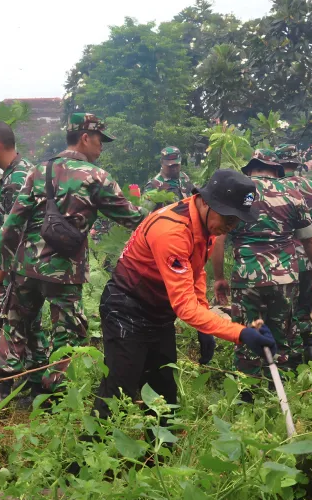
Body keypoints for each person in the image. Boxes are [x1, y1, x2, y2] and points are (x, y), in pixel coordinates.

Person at [0, 113, 145, 405]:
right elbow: (132, 217)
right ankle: (52, 395)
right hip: (64, 271)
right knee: (67, 332)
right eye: (99, 140)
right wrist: (165, 220)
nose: (101, 147)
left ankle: (2, 394)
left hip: (26, 266)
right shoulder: (96, 177)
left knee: (15, 325)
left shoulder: (39, 170)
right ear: (85, 137)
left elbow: (12, 222)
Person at [93, 169, 277, 420]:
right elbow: (184, 306)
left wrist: (205, 322)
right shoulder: (172, 232)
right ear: (208, 202)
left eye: (237, 220)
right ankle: (88, 456)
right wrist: (240, 333)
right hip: (126, 308)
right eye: (230, 217)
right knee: (119, 389)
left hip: (157, 313)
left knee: (163, 394)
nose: (231, 226)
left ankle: (156, 456)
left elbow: (196, 271)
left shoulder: (206, 226)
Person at [211, 150, 312, 379]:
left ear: (251, 169)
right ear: (276, 170)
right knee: (282, 336)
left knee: (246, 333)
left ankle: (248, 393)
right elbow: (310, 239)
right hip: (284, 279)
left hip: (247, 278)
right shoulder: (293, 194)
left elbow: (219, 238)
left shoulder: (238, 193)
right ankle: (278, 387)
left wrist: (219, 278)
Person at [0, 122, 50, 378]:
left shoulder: (16, 179)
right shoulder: (21, 171)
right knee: (30, 325)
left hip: (22, 264)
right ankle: (39, 382)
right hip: (29, 262)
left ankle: (18, 384)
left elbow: (12, 233)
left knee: (16, 324)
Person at [275, 144, 312, 360]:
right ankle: (309, 354)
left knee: (283, 314)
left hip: (281, 263)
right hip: (309, 261)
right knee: (304, 310)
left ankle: (287, 359)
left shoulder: (273, 189)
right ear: (298, 163)